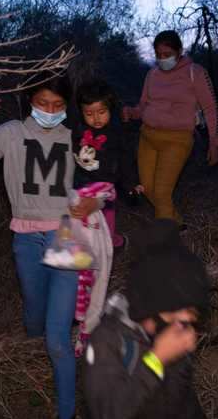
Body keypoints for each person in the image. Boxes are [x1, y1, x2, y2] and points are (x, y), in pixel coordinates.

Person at [0, 76, 97, 419]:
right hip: (25, 238)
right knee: (34, 316)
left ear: (67, 107)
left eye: (58, 105)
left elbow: (102, 177)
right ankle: (32, 360)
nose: (50, 111)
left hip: (65, 236)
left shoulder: (74, 138)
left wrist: (95, 199)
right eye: (43, 103)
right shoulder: (10, 133)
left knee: (58, 336)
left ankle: (67, 412)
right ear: (29, 100)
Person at [82, 219, 209, 419]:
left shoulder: (172, 335)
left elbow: (183, 405)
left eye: (192, 315)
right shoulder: (106, 341)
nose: (186, 322)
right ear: (153, 304)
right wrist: (156, 360)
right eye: (179, 311)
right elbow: (107, 413)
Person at [72, 80, 143, 356]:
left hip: (105, 196)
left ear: (110, 110)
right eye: (89, 113)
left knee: (104, 248)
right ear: (81, 112)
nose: (95, 118)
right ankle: (79, 307)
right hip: (78, 194)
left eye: (101, 112)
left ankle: (90, 320)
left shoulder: (117, 134)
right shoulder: (76, 131)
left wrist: (131, 183)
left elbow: (126, 162)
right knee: (83, 251)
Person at [121, 30, 218, 224]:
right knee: (149, 189)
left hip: (177, 139)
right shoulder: (152, 74)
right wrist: (132, 113)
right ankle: (177, 223)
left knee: (162, 192)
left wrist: (214, 144)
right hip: (147, 137)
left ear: (180, 51)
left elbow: (210, 108)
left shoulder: (195, 72)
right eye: (158, 55)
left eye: (167, 55)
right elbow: (143, 105)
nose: (162, 59)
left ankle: (166, 241)